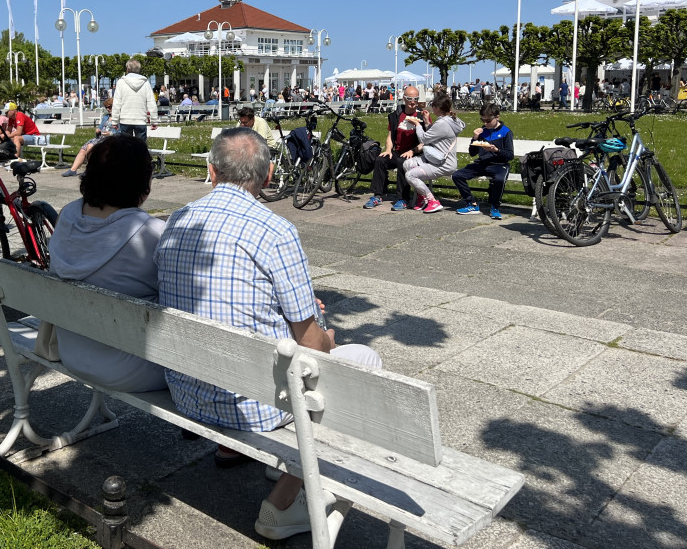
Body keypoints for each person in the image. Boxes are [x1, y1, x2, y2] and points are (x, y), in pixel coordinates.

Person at [156, 127, 382, 540]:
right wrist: (326, 338)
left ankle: (285, 461)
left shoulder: (177, 220)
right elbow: (311, 342)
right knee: (363, 360)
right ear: (270, 174)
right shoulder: (275, 231)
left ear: (211, 171)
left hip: (186, 388)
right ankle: (283, 503)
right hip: (257, 405)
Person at [48, 135, 166, 390]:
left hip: (73, 353)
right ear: (142, 181)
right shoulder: (153, 233)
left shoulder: (68, 214)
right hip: (136, 366)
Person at [363, 85, 430, 211]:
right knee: (380, 160)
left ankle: (403, 198)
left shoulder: (422, 116)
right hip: (398, 151)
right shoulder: (396, 115)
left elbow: (427, 141)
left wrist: (413, 150)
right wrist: (388, 149)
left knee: (402, 163)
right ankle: (377, 195)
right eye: (410, 98)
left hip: (416, 153)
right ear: (404, 98)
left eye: (416, 98)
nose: (413, 102)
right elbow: (390, 136)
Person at [399, 92, 465, 214]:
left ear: (438, 108)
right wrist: (426, 122)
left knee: (410, 175)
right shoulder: (449, 120)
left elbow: (424, 139)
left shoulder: (442, 123)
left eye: (433, 106)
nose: (432, 108)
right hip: (437, 159)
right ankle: (422, 198)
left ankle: (432, 201)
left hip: (443, 164)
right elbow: (435, 135)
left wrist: (418, 124)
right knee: (407, 164)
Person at [452, 103, 514, 220]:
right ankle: (471, 203)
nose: (485, 123)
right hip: (482, 163)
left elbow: (510, 155)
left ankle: (495, 207)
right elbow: (472, 152)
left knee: (499, 179)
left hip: (499, 164)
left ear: (497, 117)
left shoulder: (506, 132)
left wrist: (496, 150)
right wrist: (475, 138)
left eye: (488, 120)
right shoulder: (482, 131)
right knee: (457, 175)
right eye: (483, 120)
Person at [62, 99, 114, 177]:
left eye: (110, 107)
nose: (108, 109)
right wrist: (98, 129)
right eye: (106, 107)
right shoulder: (106, 117)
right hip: (100, 137)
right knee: (83, 149)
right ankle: (73, 170)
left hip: (110, 139)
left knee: (90, 146)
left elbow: (120, 132)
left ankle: (90, 170)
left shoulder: (119, 117)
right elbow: (100, 127)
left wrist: (110, 133)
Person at [111, 59, 158, 140]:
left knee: (125, 148)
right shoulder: (145, 83)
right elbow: (151, 103)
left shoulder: (121, 82)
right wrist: (154, 120)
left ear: (127, 69)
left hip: (125, 120)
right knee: (141, 148)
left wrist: (115, 120)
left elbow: (117, 103)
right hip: (140, 120)